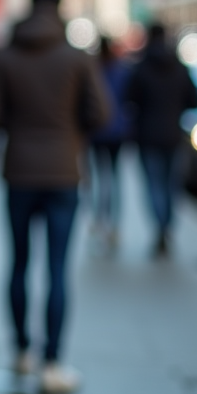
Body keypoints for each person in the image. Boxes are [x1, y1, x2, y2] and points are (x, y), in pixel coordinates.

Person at [0, 0, 109, 394]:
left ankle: (20, 352)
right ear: (59, 8)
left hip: (18, 171)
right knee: (57, 269)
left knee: (18, 263)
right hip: (62, 174)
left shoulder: (6, 58)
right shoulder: (76, 59)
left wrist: (18, 128)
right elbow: (102, 112)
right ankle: (52, 363)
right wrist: (71, 135)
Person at [124, 23, 197, 258]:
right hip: (173, 136)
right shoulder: (179, 68)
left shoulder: (141, 68)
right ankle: (167, 226)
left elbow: (129, 99)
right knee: (171, 185)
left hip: (148, 136)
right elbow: (193, 100)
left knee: (154, 185)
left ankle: (161, 227)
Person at [88, 36, 131, 251]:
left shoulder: (93, 71)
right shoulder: (121, 71)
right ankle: (114, 225)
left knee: (99, 178)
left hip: (98, 133)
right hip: (117, 132)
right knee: (114, 179)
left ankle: (99, 222)